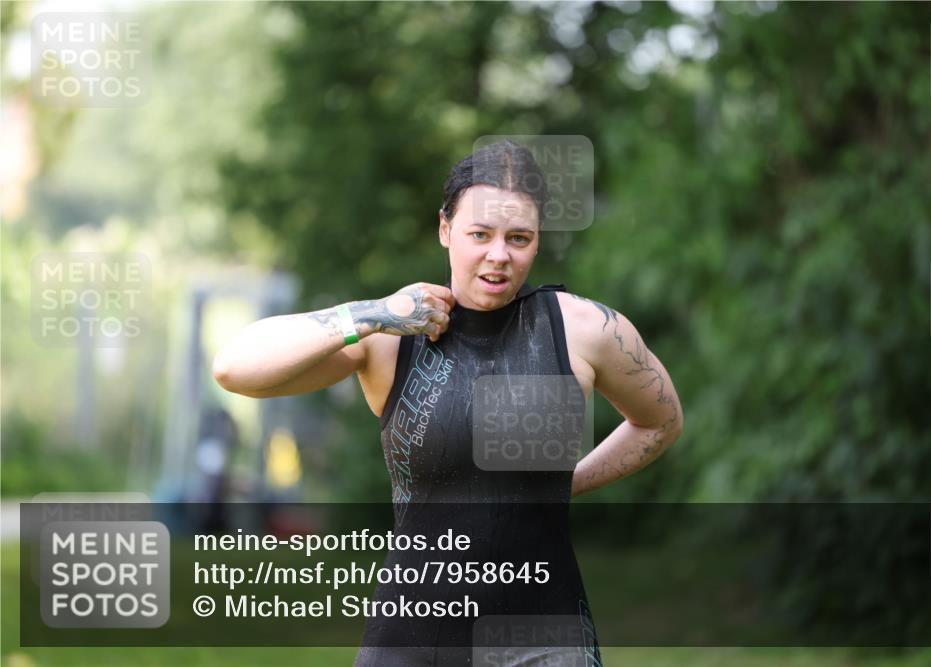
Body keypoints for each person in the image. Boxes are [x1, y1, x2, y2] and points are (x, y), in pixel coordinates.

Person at [213, 140, 683, 666]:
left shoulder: (584, 330)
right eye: (479, 234)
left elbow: (659, 421)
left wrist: (566, 480)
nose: (499, 255)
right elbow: (234, 368)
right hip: (410, 639)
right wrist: (372, 314)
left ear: (538, 240)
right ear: (445, 229)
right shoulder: (390, 334)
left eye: (519, 238)